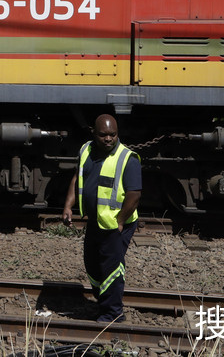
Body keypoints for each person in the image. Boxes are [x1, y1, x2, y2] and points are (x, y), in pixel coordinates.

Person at [62, 114, 142, 324]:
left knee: (112, 268)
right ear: (94, 134)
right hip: (96, 221)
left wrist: (121, 221)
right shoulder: (86, 150)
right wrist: (68, 206)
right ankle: (103, 301)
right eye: (103, 135)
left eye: (112, 135)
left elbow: (134, 195)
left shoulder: (127, 159)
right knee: (92, 264)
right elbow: (77, 178)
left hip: (116, 224)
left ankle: (112, 313)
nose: (108, 139)